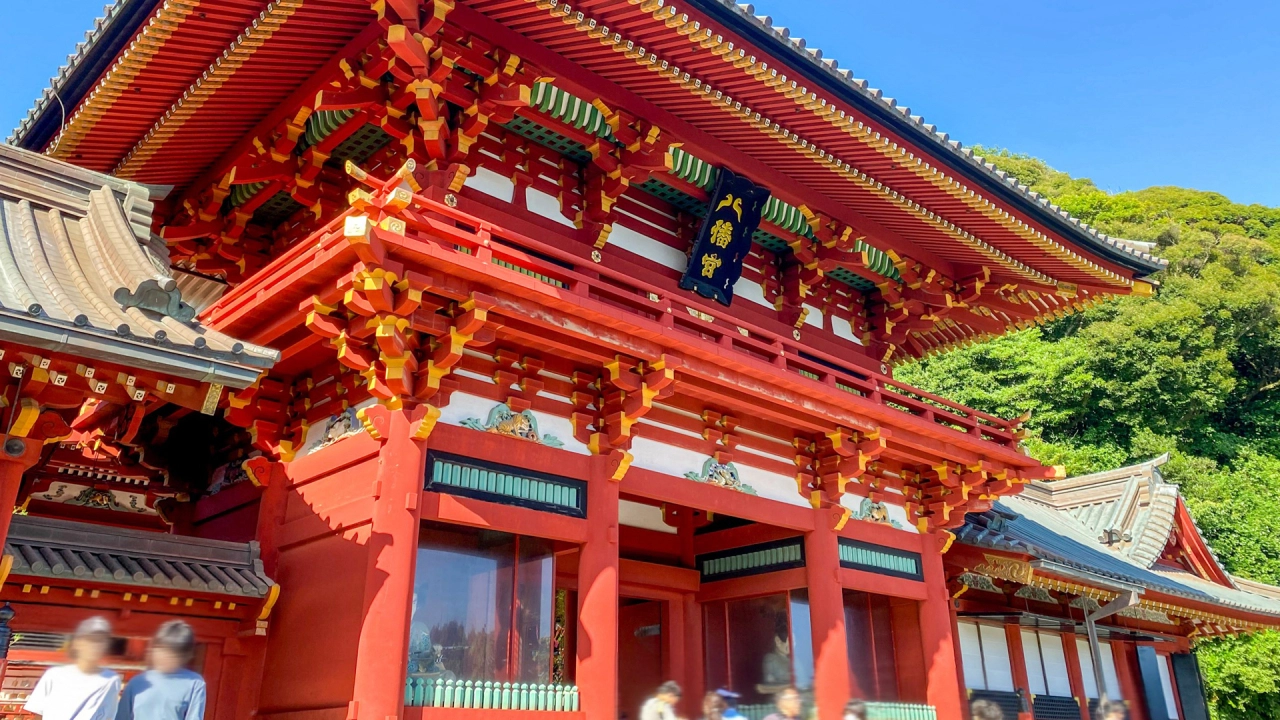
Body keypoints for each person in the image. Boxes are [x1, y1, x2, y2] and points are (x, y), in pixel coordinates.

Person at [23, 616, 121, 720]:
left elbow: (108, 716)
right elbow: (38, 712)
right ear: (77, 643)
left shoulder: (111, 679)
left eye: (100, 641)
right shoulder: (54, 675)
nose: (95, 646)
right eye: (90, 640)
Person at [116, 620, 206, 720]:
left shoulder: (194, 683)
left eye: (172, 652)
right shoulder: (137, 682)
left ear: (185, 655)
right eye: (161, 649)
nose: (165, 656)